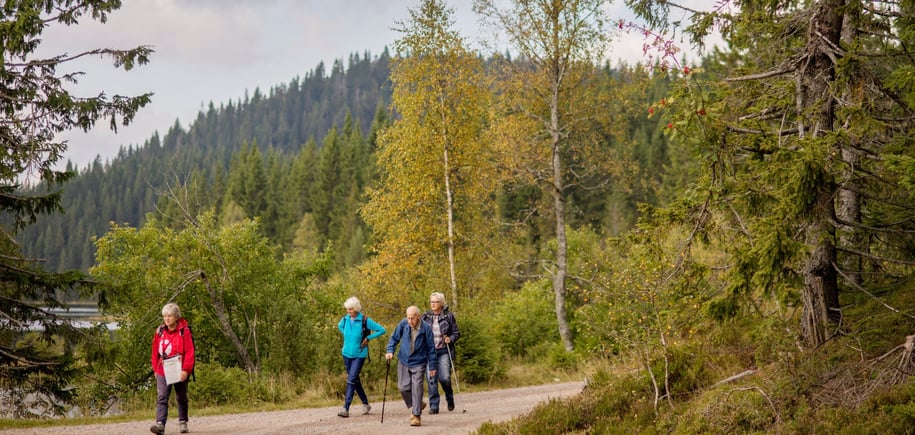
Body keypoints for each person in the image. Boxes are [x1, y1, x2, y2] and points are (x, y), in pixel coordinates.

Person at [385, 305, 437, 427]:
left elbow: (431, 349)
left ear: (418, 317)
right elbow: (394, 338)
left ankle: (416, 415)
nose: (410, 321)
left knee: (417, 387)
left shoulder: (426, 329)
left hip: (419, 362)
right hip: (404, 360)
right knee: (403, 387)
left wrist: (433, 366)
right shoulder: (403, 324)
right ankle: (418, 402)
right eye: (408, 318)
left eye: (412, 318)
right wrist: (390, 351)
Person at [336, 296, 386, 418]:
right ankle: (365, 403)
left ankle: (345, 408)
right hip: (346, 353)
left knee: (351, 379)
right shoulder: (345, 319)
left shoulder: (364, 320)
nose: (349, 312)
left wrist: (368, 338)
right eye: (347, 309)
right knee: (354, 380)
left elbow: (381, 330)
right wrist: (347, 335)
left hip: (359, 354)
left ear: (357, 308)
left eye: (351, 309)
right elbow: (339, 326)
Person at [150, 302, 195, 435]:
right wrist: (155, 369)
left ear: (176, 317)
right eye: (164, 316)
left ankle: (183, 421)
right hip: (162, 369)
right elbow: (154, 353)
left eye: (169, 316)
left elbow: (189, 351)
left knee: (181, 397)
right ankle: (160, 424)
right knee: (162, 396)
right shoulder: (159, 332)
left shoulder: (184, 331)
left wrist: (186, 370)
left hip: (179, 368)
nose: (167, 319)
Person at [421, 292, 460, 414]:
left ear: (441, 303)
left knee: (444, 378)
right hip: (429, 352)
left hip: (443, 351)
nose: (433, 304)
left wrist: (450, 338)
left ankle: (449, 397)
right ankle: (434, 406)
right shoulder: (426, 317)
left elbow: (456, 333)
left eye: (435, 302)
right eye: (431, 302)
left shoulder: (448, 316)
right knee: (431, 379)